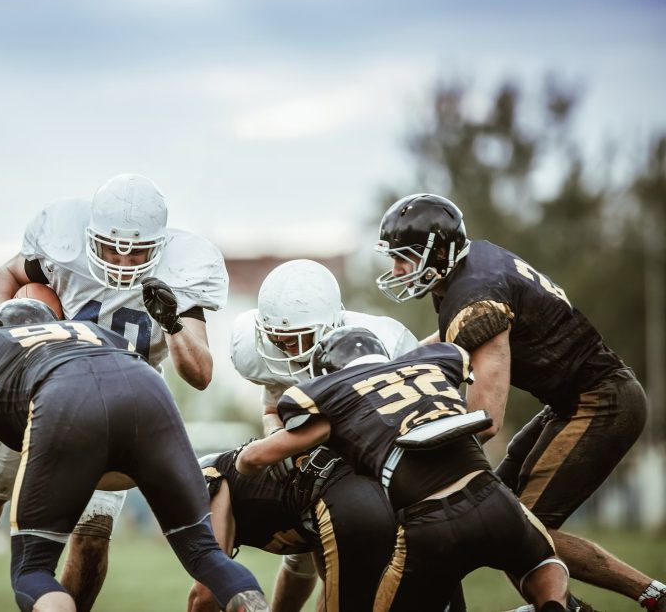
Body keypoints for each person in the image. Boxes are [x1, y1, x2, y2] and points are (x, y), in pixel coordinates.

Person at [0, 173, 228, 611]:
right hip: (41, 390)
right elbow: (7, 275)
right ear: (88, 237)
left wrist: (173, 322)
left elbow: (200, 373)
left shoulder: (180, 275)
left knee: (92, 537)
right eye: (109, 247)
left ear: (160, 246)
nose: (122, 263)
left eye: (138, 250)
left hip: (118, 409)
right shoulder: (62, 249)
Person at [374, 193, 664, 610]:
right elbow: (452, 339)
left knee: (518, 527)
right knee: (496, 514)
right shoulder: (469, 271)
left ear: (438, 253)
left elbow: (484, 419)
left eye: (404, 257)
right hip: (575, 401)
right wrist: (396, 369)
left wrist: (419, 434)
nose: (396, 270)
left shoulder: (477, 299)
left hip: (601, 402)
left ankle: (652, 595)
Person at [0, 299, 268, 612]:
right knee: (205, 554)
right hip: (150, 390)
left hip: (66, 402)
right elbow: (122, 468)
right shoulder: (95, 334)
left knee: (32, 571)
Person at [236, 327, 574, 612]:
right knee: (543, 564)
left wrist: (242, 456)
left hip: (429, 523)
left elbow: (254, 460)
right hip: (494, 497)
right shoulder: (431, 364)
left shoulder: (334, 392)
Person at [229, 258, 418, 611]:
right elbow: (273, 405)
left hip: (381, 458)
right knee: (302, 555)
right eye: (276, 337)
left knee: (358, 550)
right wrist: (279, 441)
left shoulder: (377, 348)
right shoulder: (258, 351)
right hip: (318, 453)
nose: (286, 348)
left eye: (296, 338)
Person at [187, 444, 396, 612]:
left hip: (341, 503)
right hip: (357, 498)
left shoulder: (209, 476)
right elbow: (301, 570)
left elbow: (205, 594)